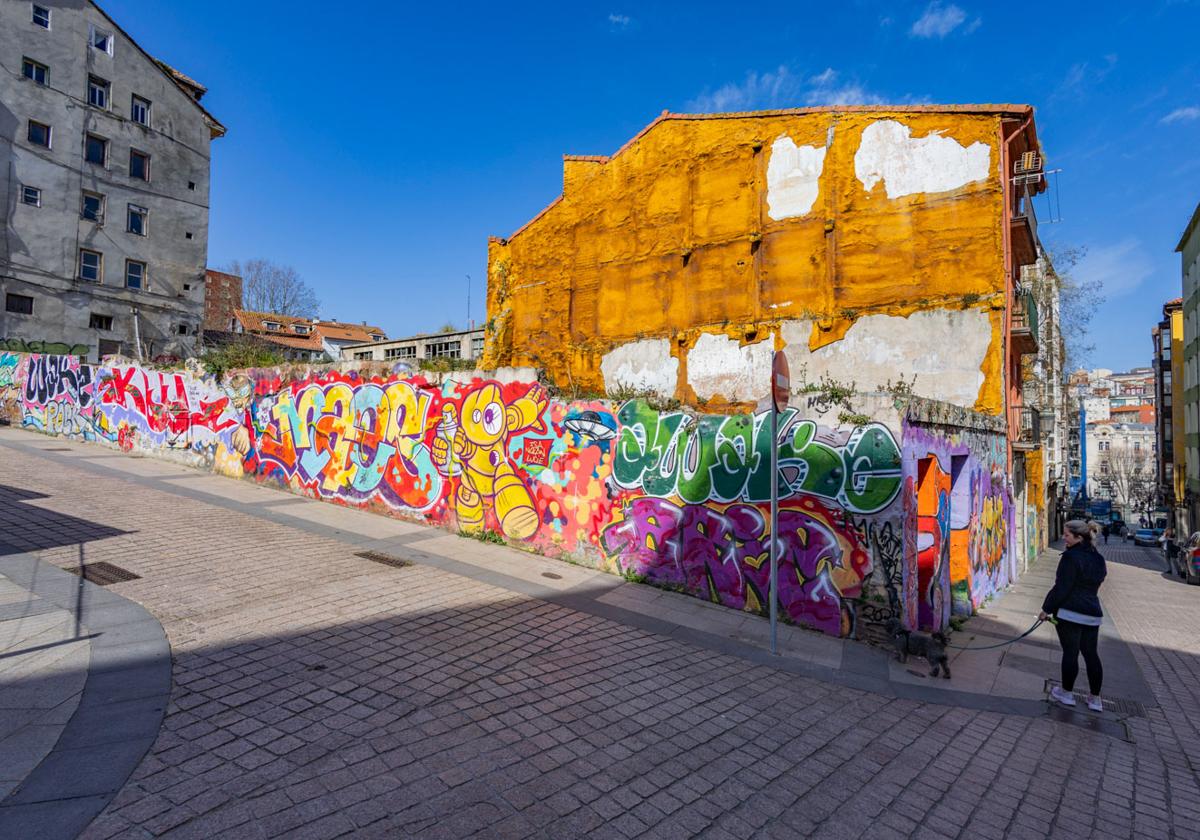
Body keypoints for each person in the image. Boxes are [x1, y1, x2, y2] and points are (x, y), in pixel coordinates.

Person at [1040, 520, 1107, 712]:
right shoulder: (1098, 558)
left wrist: (1047, 609)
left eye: (1067, 535)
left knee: (1071, 653)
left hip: (1070, 613)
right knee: (1091, 655)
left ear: (1079, 537)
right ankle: (1095, 699)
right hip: (1092, 613)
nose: (1063, 538)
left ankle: (1067, 693)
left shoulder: (1071, 557)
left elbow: (1062, 587)